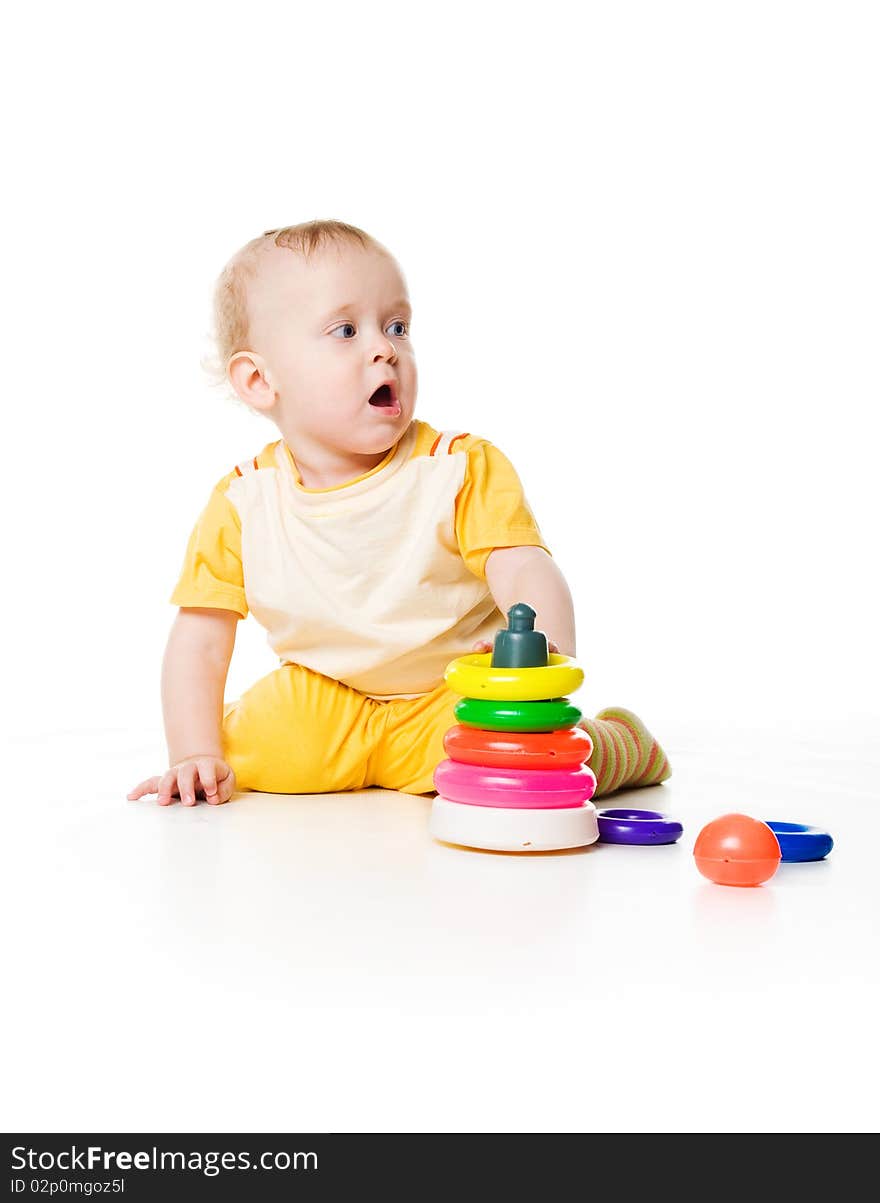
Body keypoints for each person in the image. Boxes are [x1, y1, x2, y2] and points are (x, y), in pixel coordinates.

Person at [127, 220, 671, 808]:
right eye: (345, 330)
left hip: (453, 692)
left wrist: (539, 657)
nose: (385, 347)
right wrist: (192, 753)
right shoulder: (243, 501)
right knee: (241, 750)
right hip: (326, 698)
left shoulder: (458, 467)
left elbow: (523, 569)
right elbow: (201, 640)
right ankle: (232, 756)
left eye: (397, 326)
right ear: (260, 380)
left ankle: (616, 743)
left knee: (519, 757)